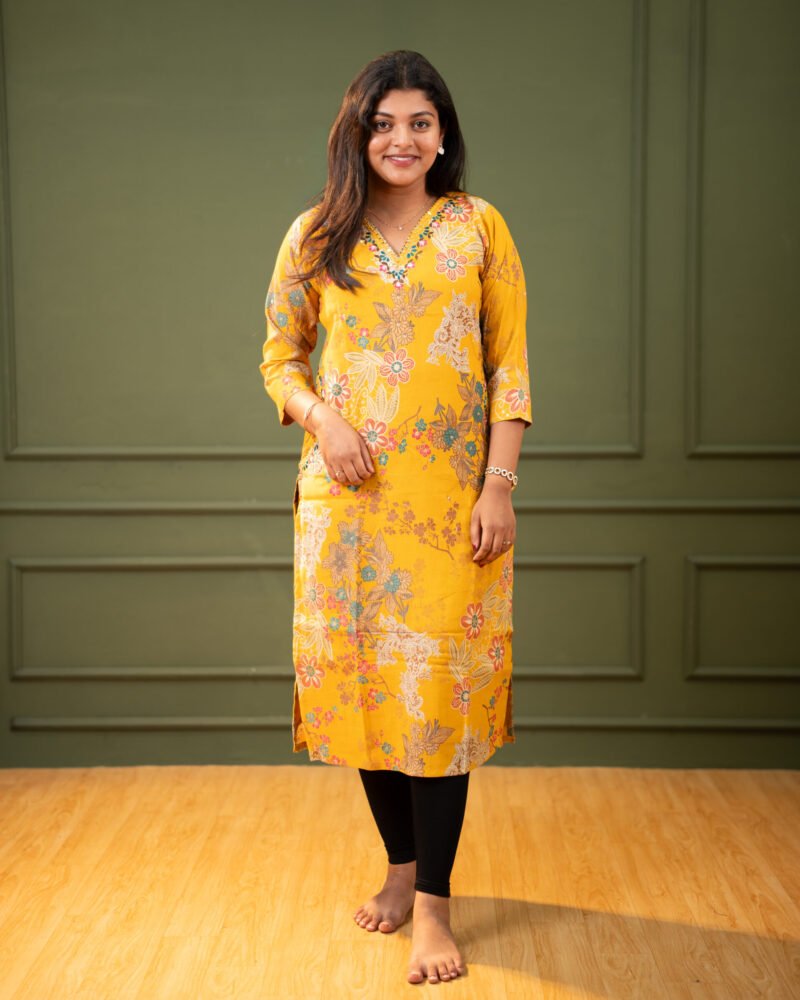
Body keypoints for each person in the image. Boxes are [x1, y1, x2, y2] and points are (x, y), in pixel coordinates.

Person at [259, 49, 532, 986]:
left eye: (419, 123)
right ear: (357, 133)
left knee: (440, 709)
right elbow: (278, 361)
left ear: (443, 133)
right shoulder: (315, 237)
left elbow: (511, 370)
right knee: (372, 700)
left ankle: (436, 913)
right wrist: (323, 419)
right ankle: (401, 869)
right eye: (383, 123)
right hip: (346, 516)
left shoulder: (478, 230)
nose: (401, 140)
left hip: (450, 511)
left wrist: (498, 483)